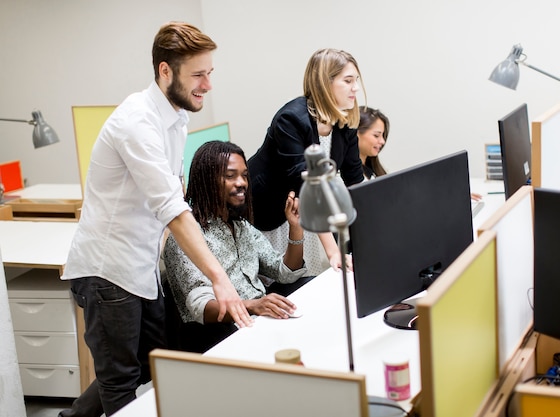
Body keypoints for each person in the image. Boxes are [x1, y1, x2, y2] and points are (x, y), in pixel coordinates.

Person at [59, 22, 252, 417]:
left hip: (141, 266)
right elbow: (173, 209)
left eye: (209, 74)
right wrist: (220, 279)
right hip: (108, 270)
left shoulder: (176, 118)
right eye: (198, 75)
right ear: (165, 72)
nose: (207, 85)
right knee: (120, 385)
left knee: (151, 359)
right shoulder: (137, 122)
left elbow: (171, 200)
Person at [163, 141, 309, 353]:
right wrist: (252, 305)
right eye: (230, 176)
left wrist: (295, 228)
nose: (241, 182)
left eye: (244, 175)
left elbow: (285, 272)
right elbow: (200, 306)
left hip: (259, 320)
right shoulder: (186, 236)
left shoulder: (241, 227)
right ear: (207, 180)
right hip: (223, 334)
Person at [248, 48, 365, 276]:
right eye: (348, 81)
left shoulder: (344, 122)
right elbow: (305, 184)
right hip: (272, 209)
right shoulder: (290, 119)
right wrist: (333, 251)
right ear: (325, 82)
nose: (356, 88)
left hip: (309, 208)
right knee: (283, 280)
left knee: (313, 274)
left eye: (357, 81)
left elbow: (355, 181)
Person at [357, 105, 390, 180]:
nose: (382, 141)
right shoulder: (338, 175)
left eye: (383, 136)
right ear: (356, 133)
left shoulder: (375, 172)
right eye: (376, 135)